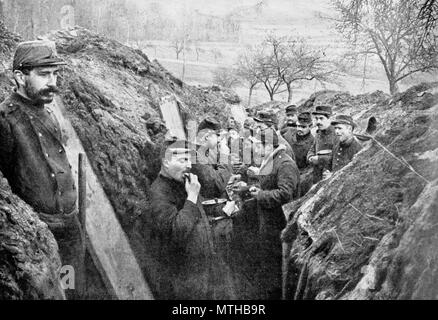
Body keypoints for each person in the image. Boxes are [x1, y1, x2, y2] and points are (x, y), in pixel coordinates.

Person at [0, 40, 84, 299]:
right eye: (44, 74)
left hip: (69, 229)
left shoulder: (48, 113)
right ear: (19, 77)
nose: (53, 82)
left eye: (55, 74)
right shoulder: (7, 119)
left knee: (71, 290)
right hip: (41, 236)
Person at [145, 140, 235, 299]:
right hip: (183, 276)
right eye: (181, 160)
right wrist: (192, 196)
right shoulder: (158, 193)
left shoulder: (182, 182)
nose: (188, 165)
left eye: (188, 160)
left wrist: (221, 210)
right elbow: (176, 231)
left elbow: (196, 211)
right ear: (166, 163)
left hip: (203, 267)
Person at [233, 128, 300, 299]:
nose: (255, 150)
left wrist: (260, 195)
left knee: (274, 262)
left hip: (278, 223)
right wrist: (251, 190)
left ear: (269, 146)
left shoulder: (285, 164)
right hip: (268, 220)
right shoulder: (272, 161)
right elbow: (270, 186)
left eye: (258, 146)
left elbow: (286, 194)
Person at [322, 114, 363, 179]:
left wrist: (332, 176)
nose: (336, 131)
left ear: (349, 129)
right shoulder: (336, 145)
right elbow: (329, 164)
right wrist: (326, 172)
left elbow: (355, 174)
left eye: (339, 128)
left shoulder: (358, 148)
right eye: (335, 128)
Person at [306, 105, 338, 184]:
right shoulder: (318, 133)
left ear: (329, 119)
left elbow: (338, 157)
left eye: (321, 118)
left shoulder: (336, 134)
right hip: (317, 174)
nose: (318, 122)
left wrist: (320, 159)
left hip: (330, 174)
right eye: (316, 119)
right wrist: (310, 157)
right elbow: (312, 149)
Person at [291, 112, 315, 196]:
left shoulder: (312, 143)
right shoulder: (289, 135)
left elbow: (309, 168)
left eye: (303, 127)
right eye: (298, 126)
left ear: (310, 126)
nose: (299, 129)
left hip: (299, 175)